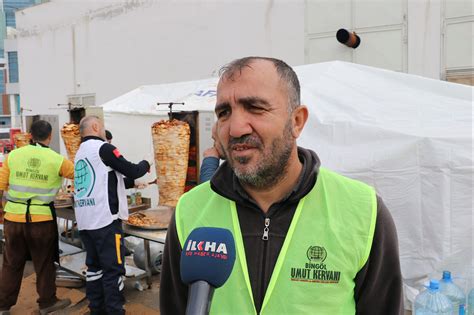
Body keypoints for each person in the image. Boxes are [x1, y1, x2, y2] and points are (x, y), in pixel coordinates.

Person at [160, 57, 404, 314]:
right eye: (224, 113)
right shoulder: (190, 210)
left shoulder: (363, 211)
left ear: (297, 121)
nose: (235, 128)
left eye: (255, 108)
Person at [74, 116, 151, 315]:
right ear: (95, 126)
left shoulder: (81, 152)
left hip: (86, 222)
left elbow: (103, 180)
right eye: (103, 127)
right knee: (113, 271)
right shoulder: (104, 148)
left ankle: (96, 310)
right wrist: (146, 163)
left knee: (94, 270)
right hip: (105, 222)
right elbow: (132, 169)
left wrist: (132, 184)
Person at [0, 120, 74, 315]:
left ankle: (3, 306)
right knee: (44, 263)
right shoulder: (56, 159)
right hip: (41, 221)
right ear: (50, 136)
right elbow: (79, 175)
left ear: (30, 135)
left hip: (13, 220)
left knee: (11, 262)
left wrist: (3, 211)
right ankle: (47, 303)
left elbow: (1, 184)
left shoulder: (13, 156)